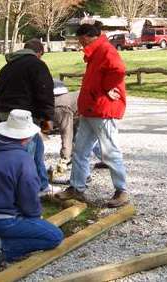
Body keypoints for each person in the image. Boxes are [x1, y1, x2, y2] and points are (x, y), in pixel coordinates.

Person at [0, 109, 64, 268]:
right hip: (1, 220)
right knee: (54, 236)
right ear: (26, 138)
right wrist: (35, 218)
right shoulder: (22, 159)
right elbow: (29, 201)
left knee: (24, 225)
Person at [55, 23, 129, 208]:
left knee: (110, 151)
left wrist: (106, 89)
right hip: (90, 109)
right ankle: (76, 188)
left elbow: (119, 71)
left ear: (88, 37)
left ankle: (122, 191)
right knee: (80, 150)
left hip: (102, 109)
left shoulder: (106, 50)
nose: (80, 44)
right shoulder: (96, 52)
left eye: (81, 40)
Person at [0, 38, 56, 194]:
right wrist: (48, 117)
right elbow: (45, 92)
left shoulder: (6, 68)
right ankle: (23, 191)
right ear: (39, 53)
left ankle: (42, 184)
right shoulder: (37, 65)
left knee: (36, 150)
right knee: (24, 156)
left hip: (5, 114)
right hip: (24, 116)